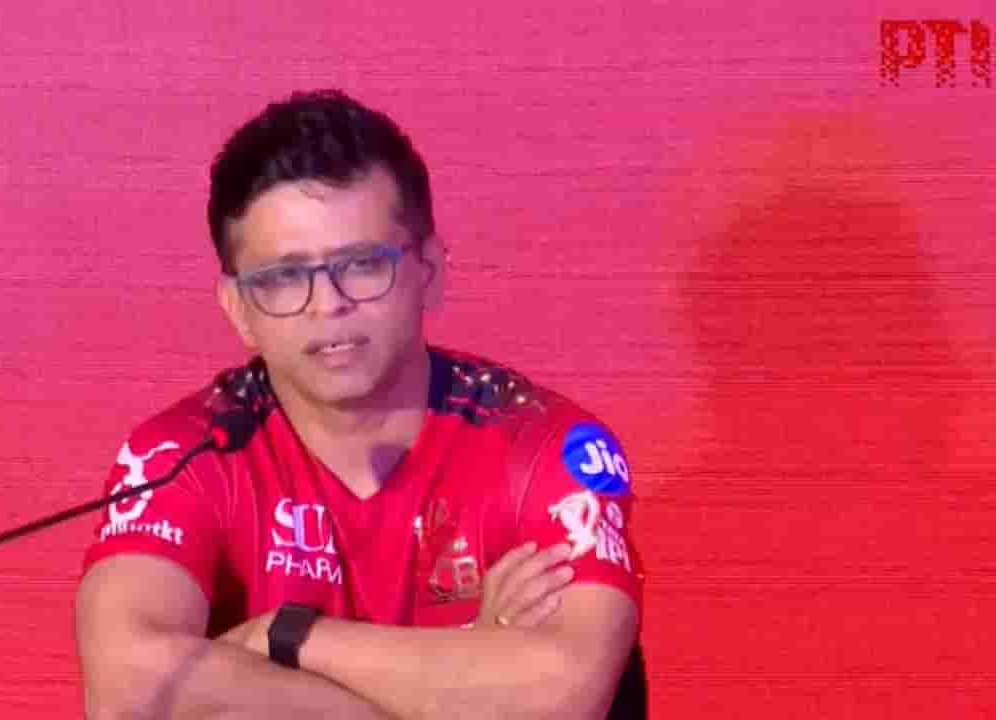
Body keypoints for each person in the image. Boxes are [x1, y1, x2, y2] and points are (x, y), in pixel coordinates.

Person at [75, 89, 644, 720]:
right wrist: (456, 687)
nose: (328, 305)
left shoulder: (542, 447)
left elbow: (563, 694)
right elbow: (130, 692)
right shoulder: (181, 456)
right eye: (283, 277)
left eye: (363, 264)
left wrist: (280, 638)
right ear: (237, 309)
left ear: (430, 271)